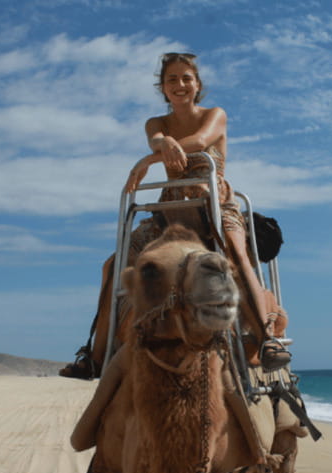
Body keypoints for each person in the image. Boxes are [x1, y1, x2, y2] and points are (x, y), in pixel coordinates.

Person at [60, 52, 289, 380]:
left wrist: (147, 161)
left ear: (197, 85)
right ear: (163, 89)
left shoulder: (216, 114)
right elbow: (156, 138)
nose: (179, 85)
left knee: (237, 254)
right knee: (112, 266)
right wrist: (160, 144)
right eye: (172, 80)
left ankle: (267, 341)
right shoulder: (157, 124)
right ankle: (96, 357)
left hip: (214, 205)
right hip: (170, 213)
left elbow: (198, 141)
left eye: (186, 78)